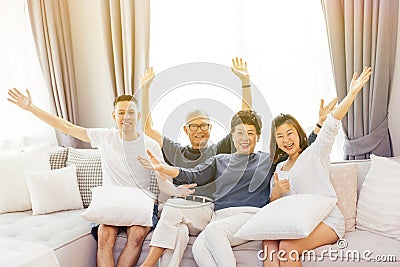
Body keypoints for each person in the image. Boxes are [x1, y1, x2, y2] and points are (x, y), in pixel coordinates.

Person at [6, 90, 195, 267]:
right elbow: (67, 127)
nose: (126, 117)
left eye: (131, 112)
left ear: (138, 116)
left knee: (137, 235)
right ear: (114, 116)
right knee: (105, 235)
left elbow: (163, 181)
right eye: (121, 113)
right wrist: (31, 107)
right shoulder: (105, 137)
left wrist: (177, 191)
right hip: (111, 202)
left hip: (140, 202)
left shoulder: (150, 145)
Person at [137, 57, 254, 267]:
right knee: (178, 232)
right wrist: (145, 91)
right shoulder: (175, 150)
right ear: (185, 130)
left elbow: (244, 118)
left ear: (210, 128)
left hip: (206, 211)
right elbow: (148, 128)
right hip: (183, 215)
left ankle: (147, 264)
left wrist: (245, 82)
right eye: (194, 126)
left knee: (172, 209)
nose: (200, 130)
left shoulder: (220, 150)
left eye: (204, 125)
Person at [264, 67, 372, 267]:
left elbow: (332, 124)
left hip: (327, 221)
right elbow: (274, 207)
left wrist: (352, 94)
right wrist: (277, 192)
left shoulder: (314, 154)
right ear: (276, 142)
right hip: (298, 222)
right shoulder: (279, 168)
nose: (286, 140)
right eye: (280, 136)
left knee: (287, 247)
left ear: (299, 134)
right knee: (269, 242)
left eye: (290, 133)